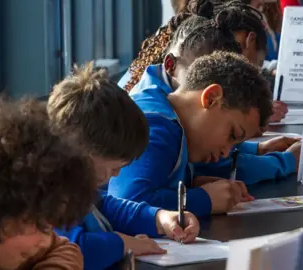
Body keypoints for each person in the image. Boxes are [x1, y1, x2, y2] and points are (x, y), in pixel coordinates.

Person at [119, 1, 300, 185]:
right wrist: (284, 162)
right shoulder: (156, 122)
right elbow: (132, 198)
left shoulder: (170, 105)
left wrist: (255, 149)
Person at [49, 63, 200, 270]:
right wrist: (125, 244)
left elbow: (106, 208)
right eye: (113, 168)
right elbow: (74, 248)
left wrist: (160, 218)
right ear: (80, 153)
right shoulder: (49, 195)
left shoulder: (78, 189)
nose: (118, 174)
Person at [108, 51, 274, 216]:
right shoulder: (157, 127)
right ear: (211, 98)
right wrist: (202, 199)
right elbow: (126, 202)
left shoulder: (168, 113)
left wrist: (189, 184)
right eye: (232, 135)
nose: (226, 153)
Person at [0, 99, 97, 270]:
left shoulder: (35, 245)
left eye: (48, 225)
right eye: (37, 222)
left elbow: (64, 247)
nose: (44, 240)